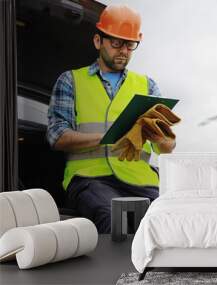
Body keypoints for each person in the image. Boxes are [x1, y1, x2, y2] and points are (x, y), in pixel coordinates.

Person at [47, 5, 176, 233]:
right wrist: (110, 136)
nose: (123, 50)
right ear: (98, 41)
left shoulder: (148, 86)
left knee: (169, 220)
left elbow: (167, 147)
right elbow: (57, 136)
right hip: (90, 179)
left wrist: (158, 135)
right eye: (116, 43)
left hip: (141, 181)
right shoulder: (71, 81)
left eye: (130, 44)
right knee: (113, 216)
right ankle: (121, 271)